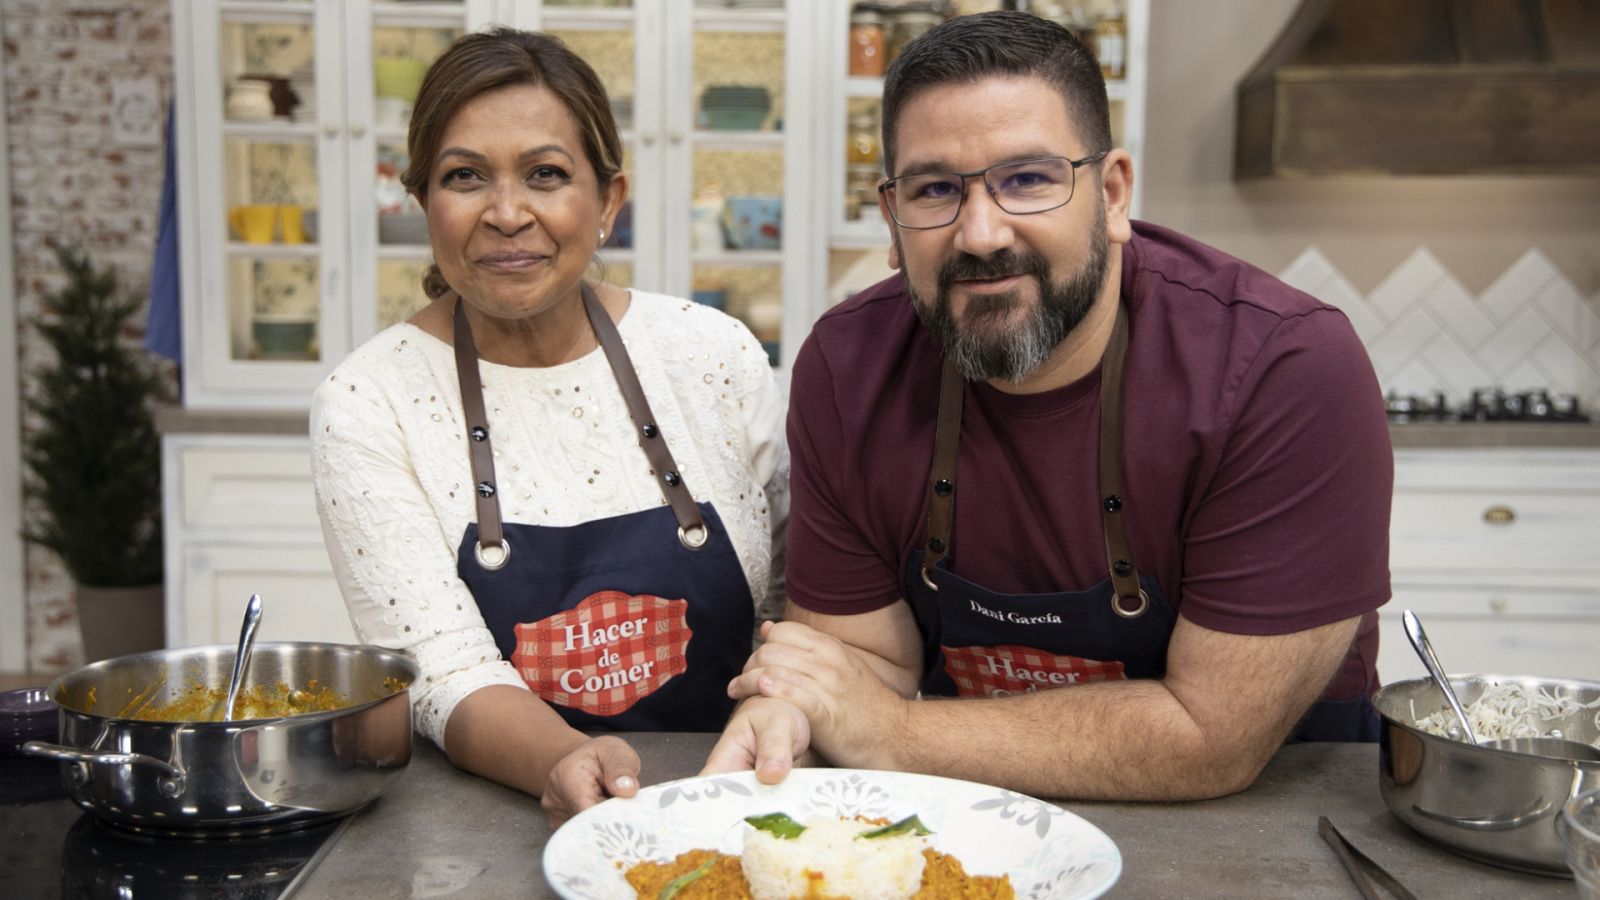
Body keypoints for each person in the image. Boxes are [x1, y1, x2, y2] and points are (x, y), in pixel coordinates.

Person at [705, 10, 1392, 801]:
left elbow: (1211, 739)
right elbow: (857, 673)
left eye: (1027, 179)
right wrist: (799, 714)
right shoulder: (847, 368)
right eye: (934, 190)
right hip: (984, 826)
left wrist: (888, 731)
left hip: (1269, 841)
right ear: (892, 220)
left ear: (1111, 194)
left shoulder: (1284, 369)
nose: (982, 233)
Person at [310, 28, 787, 826]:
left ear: (607, 201)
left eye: (545, 174)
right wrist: (562, 759)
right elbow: (444, 669)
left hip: (738, 791)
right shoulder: (368, 400)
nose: (506, 213)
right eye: (465, 177)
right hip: (499, 821)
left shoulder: (712, 353)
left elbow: (793, 604)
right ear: (421, 196)